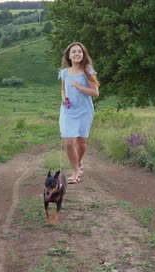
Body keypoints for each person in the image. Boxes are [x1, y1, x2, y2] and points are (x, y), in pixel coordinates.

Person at [58, 42, 99, 184]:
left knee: (81, 143)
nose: (77, 54)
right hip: (68, 110)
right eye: (74, 52)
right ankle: (75, 171)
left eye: (79, 52)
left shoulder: (88, 71)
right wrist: (64, 98)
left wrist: (78, 86)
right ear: (69, 55)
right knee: (69, 142)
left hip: (84, 111)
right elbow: (63, 89)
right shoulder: (64, 72)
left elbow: (95, 92)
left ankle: (79, 161)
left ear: (83, 54)